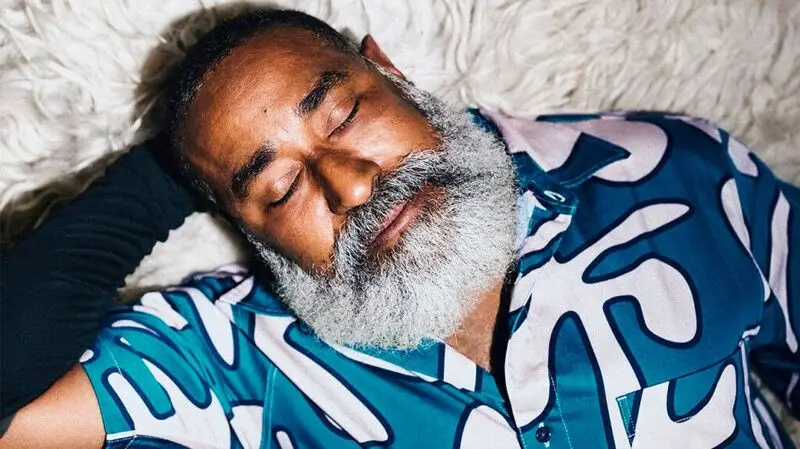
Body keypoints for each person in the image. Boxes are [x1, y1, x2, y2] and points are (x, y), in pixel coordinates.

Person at [1, 8, 799, 448]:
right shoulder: (230, 357)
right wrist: (188, 156)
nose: (350, 183)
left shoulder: (662, 171)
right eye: (280, 190)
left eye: (347, 113)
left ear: (391, 71)